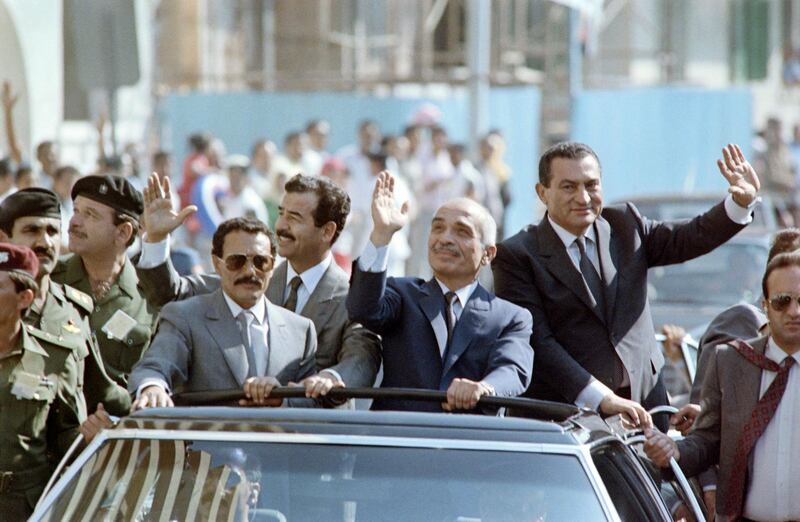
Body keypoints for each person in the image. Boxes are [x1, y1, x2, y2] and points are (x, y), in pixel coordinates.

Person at [493, 142, 760, 431]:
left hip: (646, 409)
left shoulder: (624, 225)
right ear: (542, 193)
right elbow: (539, 344)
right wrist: (600, 398)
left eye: (591, 185)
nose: (582, 197)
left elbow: (689, 237)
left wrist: (739, 205)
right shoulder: (517, 255)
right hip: (568, 419)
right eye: (568, 187)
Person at [136, 172, 381, 397]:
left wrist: (330, 378)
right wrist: (157, 240)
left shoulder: (353, 300)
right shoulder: (249, 274)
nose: (281, 226)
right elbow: (170, 294)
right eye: (282, 213)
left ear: (327, 231)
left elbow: (362, 359)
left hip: (310, 436)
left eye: (294, 218)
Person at [346, 171, 533, 412]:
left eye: (462, 232)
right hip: (400, 440)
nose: (445, 239)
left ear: (488, 254)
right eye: (438, 228)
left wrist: (484, 388)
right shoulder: (402, 294)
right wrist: (381, 236)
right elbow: (363, 309)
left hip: (469, 442)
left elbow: (513, 369)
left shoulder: (511, 317)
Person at [645, 252, 800, 521]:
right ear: (765, 305)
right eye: (782, 301)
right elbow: (707, 440)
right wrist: (674, 451)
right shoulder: (732, 361)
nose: (794, 312)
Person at [128, 217, 317, 410]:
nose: (250, 271)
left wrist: (281, 399)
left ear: (272, 266)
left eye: (261, 262)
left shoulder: (301, 331)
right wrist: (153, 388)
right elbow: (156, 366)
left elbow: (313, 403)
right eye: (237, 261)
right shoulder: (186, 317)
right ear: (217, 264)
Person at [0, 188, 130, 415]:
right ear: (3, 239)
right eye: (31, 230)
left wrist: (146, 402)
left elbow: (102, 391)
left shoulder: (75, 309)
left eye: (53, 231)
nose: (45, 242)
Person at [0, 243, 85, 519]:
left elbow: (67, 435)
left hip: (27, 505)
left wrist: (90, 434)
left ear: (24, 298)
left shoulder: (55, 358)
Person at [51, 175, 157, 388]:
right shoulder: (49, 279)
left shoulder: (150, 295)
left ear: (122, 232)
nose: (74, 222)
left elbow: (154, 372)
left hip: (121, 417)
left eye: (90, 215)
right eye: (76, 211)